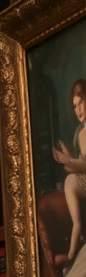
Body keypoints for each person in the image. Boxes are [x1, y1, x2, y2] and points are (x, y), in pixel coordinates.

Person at [52, 78, 86, 263]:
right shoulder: (80, 132)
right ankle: (76, 233)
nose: (78, 109)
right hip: (80, 178)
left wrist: (68, 161)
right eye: (75, 106)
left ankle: (73, 248)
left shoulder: (84, 133)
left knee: (70, 181)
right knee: (70, 180)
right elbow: (79, 163)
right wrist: (66, 159)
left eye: (81, 103)